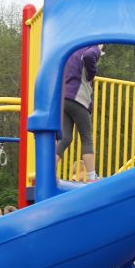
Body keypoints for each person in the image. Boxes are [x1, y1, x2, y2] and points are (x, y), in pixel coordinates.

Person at [55, 44, 102, 182]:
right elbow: (89, 56)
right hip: (78, 98)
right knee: (87, 137)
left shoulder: (72, 49)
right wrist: (91, 74)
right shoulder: (94, 47)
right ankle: (91, 176)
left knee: (64, 138)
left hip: (63, 99)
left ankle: (49, 172)